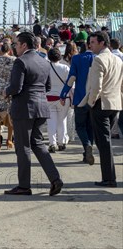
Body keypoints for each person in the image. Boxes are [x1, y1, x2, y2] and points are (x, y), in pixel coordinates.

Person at [4, 32, 62, 196]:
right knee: (38, 144)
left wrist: (6, 91)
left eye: (16, 44)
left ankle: (24, 186)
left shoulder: (20, 62)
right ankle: (55, 179)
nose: (14, 47)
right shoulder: (44, 62)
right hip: (41, 107)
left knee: (23, 147)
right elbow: (48, 86)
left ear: (23, 45)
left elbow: (16, 87)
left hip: (24, 108)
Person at [79, 32, 123, 187]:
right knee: (106, 141)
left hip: (101, 104)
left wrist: (90, 103)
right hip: (115, 103)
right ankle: (109, 177)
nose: (90, 45)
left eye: (92, 42)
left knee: (103, 142)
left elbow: (96, 86)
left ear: (102, 43)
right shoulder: (118, 59)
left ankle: (109, 178)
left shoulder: (99, 59)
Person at [60, 41, 95, 164]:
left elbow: (71, 78)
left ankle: (87, 145)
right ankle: (87, 151)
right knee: (91, 127)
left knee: (80, 126)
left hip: (80, 97)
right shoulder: (99, 58)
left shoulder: (77, 58)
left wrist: (63, 94)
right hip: (95, 99)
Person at [46, 48, 72, 153]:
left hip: (49, 97)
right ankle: (62, 142)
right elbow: (70, 83)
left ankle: (52, 143)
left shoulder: (46, 68)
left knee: (51, 121)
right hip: (63, 97)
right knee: (62, 120)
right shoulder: (65, 68)